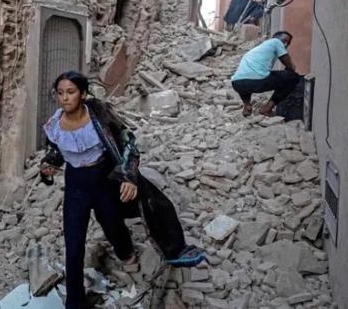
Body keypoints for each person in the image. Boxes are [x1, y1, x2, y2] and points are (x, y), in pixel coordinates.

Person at [40, 71, 205, 309]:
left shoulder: (99, 117)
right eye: (60, 93)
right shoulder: (55, 125)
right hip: (76, 184)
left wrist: (128, 177)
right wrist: (48, 166)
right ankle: (75, 303)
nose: (64, 98)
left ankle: (128, 252)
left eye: (71, 92)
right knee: (73, 244)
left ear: (83, 94)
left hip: (104, 176)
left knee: (110, 219)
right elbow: (54, 152)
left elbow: (128, 143)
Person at [231, 31, 300, 117]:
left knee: (247, 79)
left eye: (288, 43)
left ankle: (247, 106)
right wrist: (290, 69)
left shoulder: (257, 49)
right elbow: (290, 66)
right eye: (284, 41)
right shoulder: (276, 42)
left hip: (236, 83)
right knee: (293, 77)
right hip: (257, 81)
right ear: (275, 38)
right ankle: (267, 108)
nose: (286, 44)